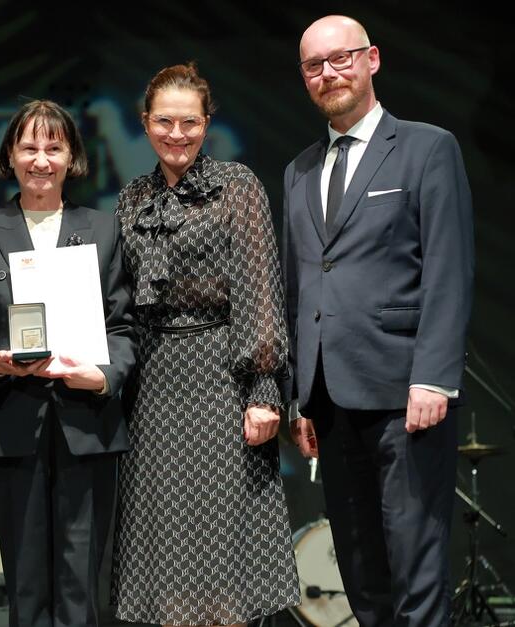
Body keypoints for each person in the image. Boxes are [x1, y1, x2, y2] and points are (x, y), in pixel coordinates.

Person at [284, 15, 474, 626]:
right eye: (314, 65)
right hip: (330, 401)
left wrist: (434, 377)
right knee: (363, 577)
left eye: (340, 58)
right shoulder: (299, 171)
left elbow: (449, 269)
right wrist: (298, 397)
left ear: (373, 60)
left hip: (404, 395)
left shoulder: (427, 147)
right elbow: (300, 286)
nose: (328, 73)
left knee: (416, 572)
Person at [110, 63, 300, 627]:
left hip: (223, 378)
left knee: (222, 543)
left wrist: (264, 390)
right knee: (164, 539)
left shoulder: (236, 185)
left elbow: (260, 285)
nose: (177, 133)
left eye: (189, 122)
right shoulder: (133, 199)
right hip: (152, 389)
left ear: (206, 122)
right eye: (164, 121)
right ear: (145, 123)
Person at [0, 99, 135, 627]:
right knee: (24, 581)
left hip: (86, 424)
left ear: (72, 157)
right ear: (10, 155)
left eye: (54, 147)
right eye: (29, 147)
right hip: (12, 425)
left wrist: (104, 376)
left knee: (82, 582)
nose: (41, 159)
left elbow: (123, 327)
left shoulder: (102, 228)